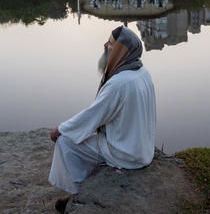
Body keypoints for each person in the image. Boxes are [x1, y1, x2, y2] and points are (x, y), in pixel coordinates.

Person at [48, 26, 156, 206]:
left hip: (125, 153)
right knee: (84, 137)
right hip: (142, 149)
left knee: (66, 142)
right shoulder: (142, 72)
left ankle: (79, 193)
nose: (105, 45)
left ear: (123, 51)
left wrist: (60, 129)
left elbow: (93, 116)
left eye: (112, 44)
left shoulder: (119, 83)